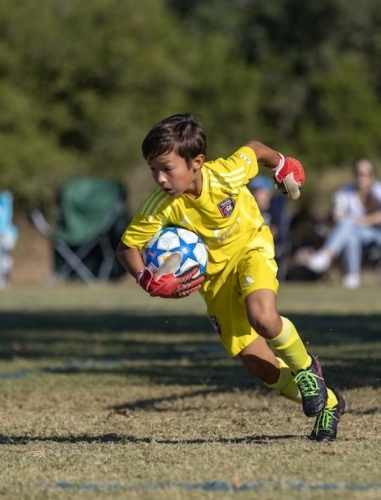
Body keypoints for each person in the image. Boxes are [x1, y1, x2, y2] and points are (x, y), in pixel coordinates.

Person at [117, 113, 345, 442]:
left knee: (263, 317)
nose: (160, 178)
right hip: (215, 282)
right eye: (154, 169)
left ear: (196, 162)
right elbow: (128, 247)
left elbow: (253, 150)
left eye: (167, 169)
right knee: (258, 364)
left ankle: (308, 370)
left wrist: (281, 163)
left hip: (251, 249)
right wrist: (144, 277)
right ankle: (331, 403)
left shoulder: (225, 174)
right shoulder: (159, 205)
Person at [304, 158, 381, 289]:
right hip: (355, 233)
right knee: (351, 235)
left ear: (371, 175)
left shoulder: (378, 190)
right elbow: (337, 216)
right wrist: (338, 215)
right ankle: (352, 275)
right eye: (358, 173)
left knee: (350, 223)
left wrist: (361, 220)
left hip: (376, 234)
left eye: (364, 174)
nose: (361, 177)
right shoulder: (346, 192)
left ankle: (326, 255)